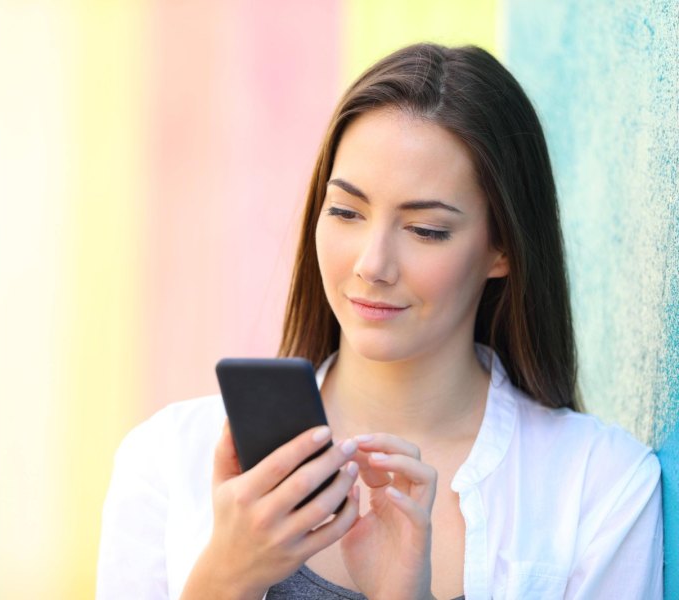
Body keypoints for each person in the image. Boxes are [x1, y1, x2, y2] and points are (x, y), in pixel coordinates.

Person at [96, 43, 664, 599]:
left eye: (426, 230)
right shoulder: (167, 459)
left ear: (503, 248)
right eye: (345, 212)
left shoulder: (600, 488)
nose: (372, 264)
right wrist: (225, 579)